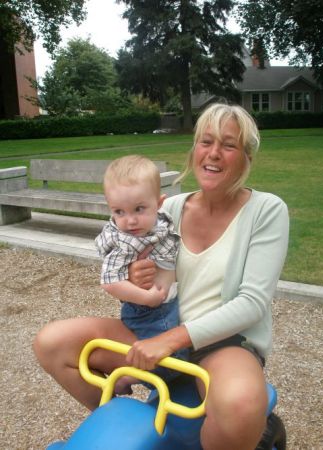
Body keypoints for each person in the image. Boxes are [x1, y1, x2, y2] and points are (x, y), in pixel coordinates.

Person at [33, 103, 289, 450]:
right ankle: (120, 420)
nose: (214, 153)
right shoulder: (167, 209)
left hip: (221, 342)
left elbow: (252, 304)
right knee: (52, 343)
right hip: (155, 326)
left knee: (242, 405)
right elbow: (132, 269)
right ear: (195, 149)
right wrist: (136, 278)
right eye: (205, 141)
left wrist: (173, 339)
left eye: (228, 145)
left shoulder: (266, 210)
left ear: (246, 158)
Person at [94, 155, 186, 393]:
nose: (130, 220)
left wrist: (163, 285)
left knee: (180, 356)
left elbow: (168, 259)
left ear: (159, 203)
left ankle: (130, 375)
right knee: (172, 365)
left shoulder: (160, 224)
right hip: (146, 311)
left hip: (166, 304)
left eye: (139, 209)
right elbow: (110, 283)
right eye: (119, 212)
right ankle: (127, 377)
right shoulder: (123, 242)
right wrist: (148, 298)